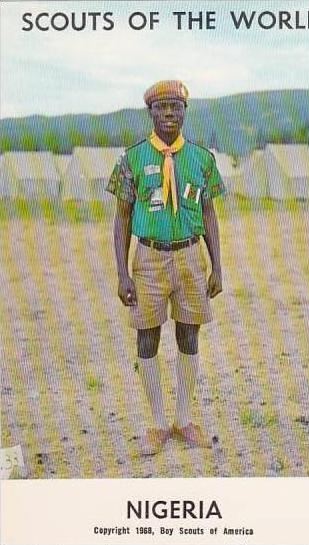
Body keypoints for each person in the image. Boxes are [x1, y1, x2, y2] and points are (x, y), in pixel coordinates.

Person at [107, 80, 225, 455]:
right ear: (151, 113)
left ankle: (184, 419)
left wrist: (217, 266)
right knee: (147, 337)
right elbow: (122, 217)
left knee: (189, 336)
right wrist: (123, 272)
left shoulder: (202, 159)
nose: (169, 113)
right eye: (162, 108)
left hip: (191, 256)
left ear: (185, 111)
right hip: (149, 258)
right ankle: (158, 423)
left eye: (176, 106)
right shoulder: (132, 158)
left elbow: (209, 213)